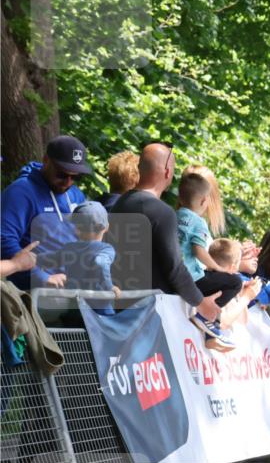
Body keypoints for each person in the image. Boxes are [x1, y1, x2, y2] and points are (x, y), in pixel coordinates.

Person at [109, 142, 222, 331]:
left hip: (121, 308)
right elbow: (175, 268)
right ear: (168, 172)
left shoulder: (120, 205)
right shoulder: (162, 212)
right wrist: (201, 302)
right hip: (153, 314)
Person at [1, 135, 91, 291]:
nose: (68, 182)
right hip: (35, 291)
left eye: (75, 176)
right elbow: (4, 238)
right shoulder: (21, 192)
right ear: (46, 160)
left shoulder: (76, 194)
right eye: (62, 174)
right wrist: (41, 277)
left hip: (73, 288)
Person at [176, 167, 239, 350]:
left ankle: (209, 334)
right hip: (193, 277)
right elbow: (199, 251)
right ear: (205, 200)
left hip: (176, 275)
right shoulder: (199, 222)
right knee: (234, 282)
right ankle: (207, 317)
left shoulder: (173, 216)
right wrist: (218, 268)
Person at [59, 202, 118, 315]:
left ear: (77, 229)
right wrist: (109, 288)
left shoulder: (69, 248)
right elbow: (100, 263)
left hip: (73, 306)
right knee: (112, 329)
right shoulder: (106, 249)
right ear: (106, 227)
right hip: (98, 307)